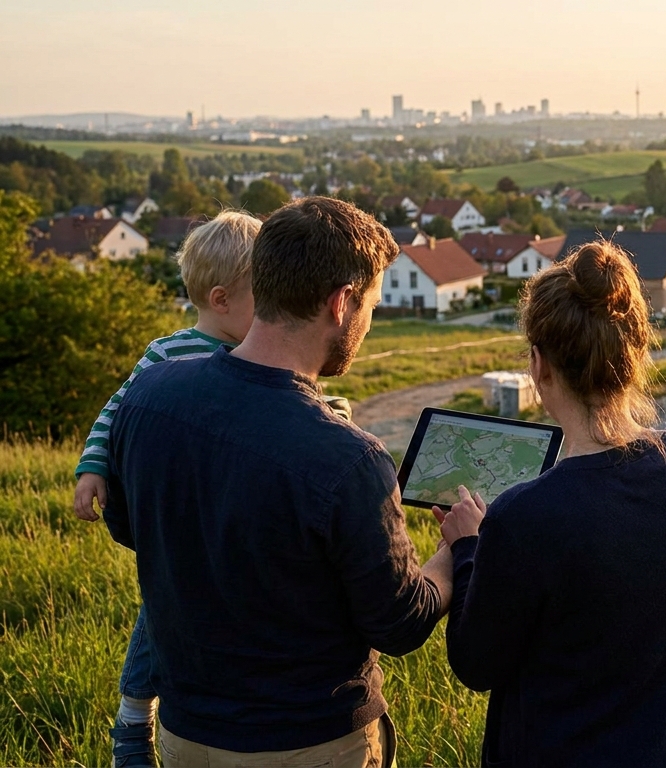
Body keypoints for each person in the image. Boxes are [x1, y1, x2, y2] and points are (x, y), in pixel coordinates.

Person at [102, 197, 454, 767]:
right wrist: (457, 552)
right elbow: (400, 621)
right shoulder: (349, 457)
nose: (369, 321)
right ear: (341, 304)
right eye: (371, 304)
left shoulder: (148, 397)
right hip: (311, 743)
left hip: (185, 736)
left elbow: (129, 526)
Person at [437, 240, 666, 767]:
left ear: (538, 366)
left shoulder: (523, 517)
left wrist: (470, 547)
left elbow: (477, 663)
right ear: (636, 354)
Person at [71, 210, 262, 766]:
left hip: (224, 514)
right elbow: (115, 411)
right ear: (221, 299)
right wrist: (92, 467)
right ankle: (134, 717)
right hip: (170, 512)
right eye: (263, 297)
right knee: (160, 610)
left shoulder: (255, 356)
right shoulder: (165, 354)